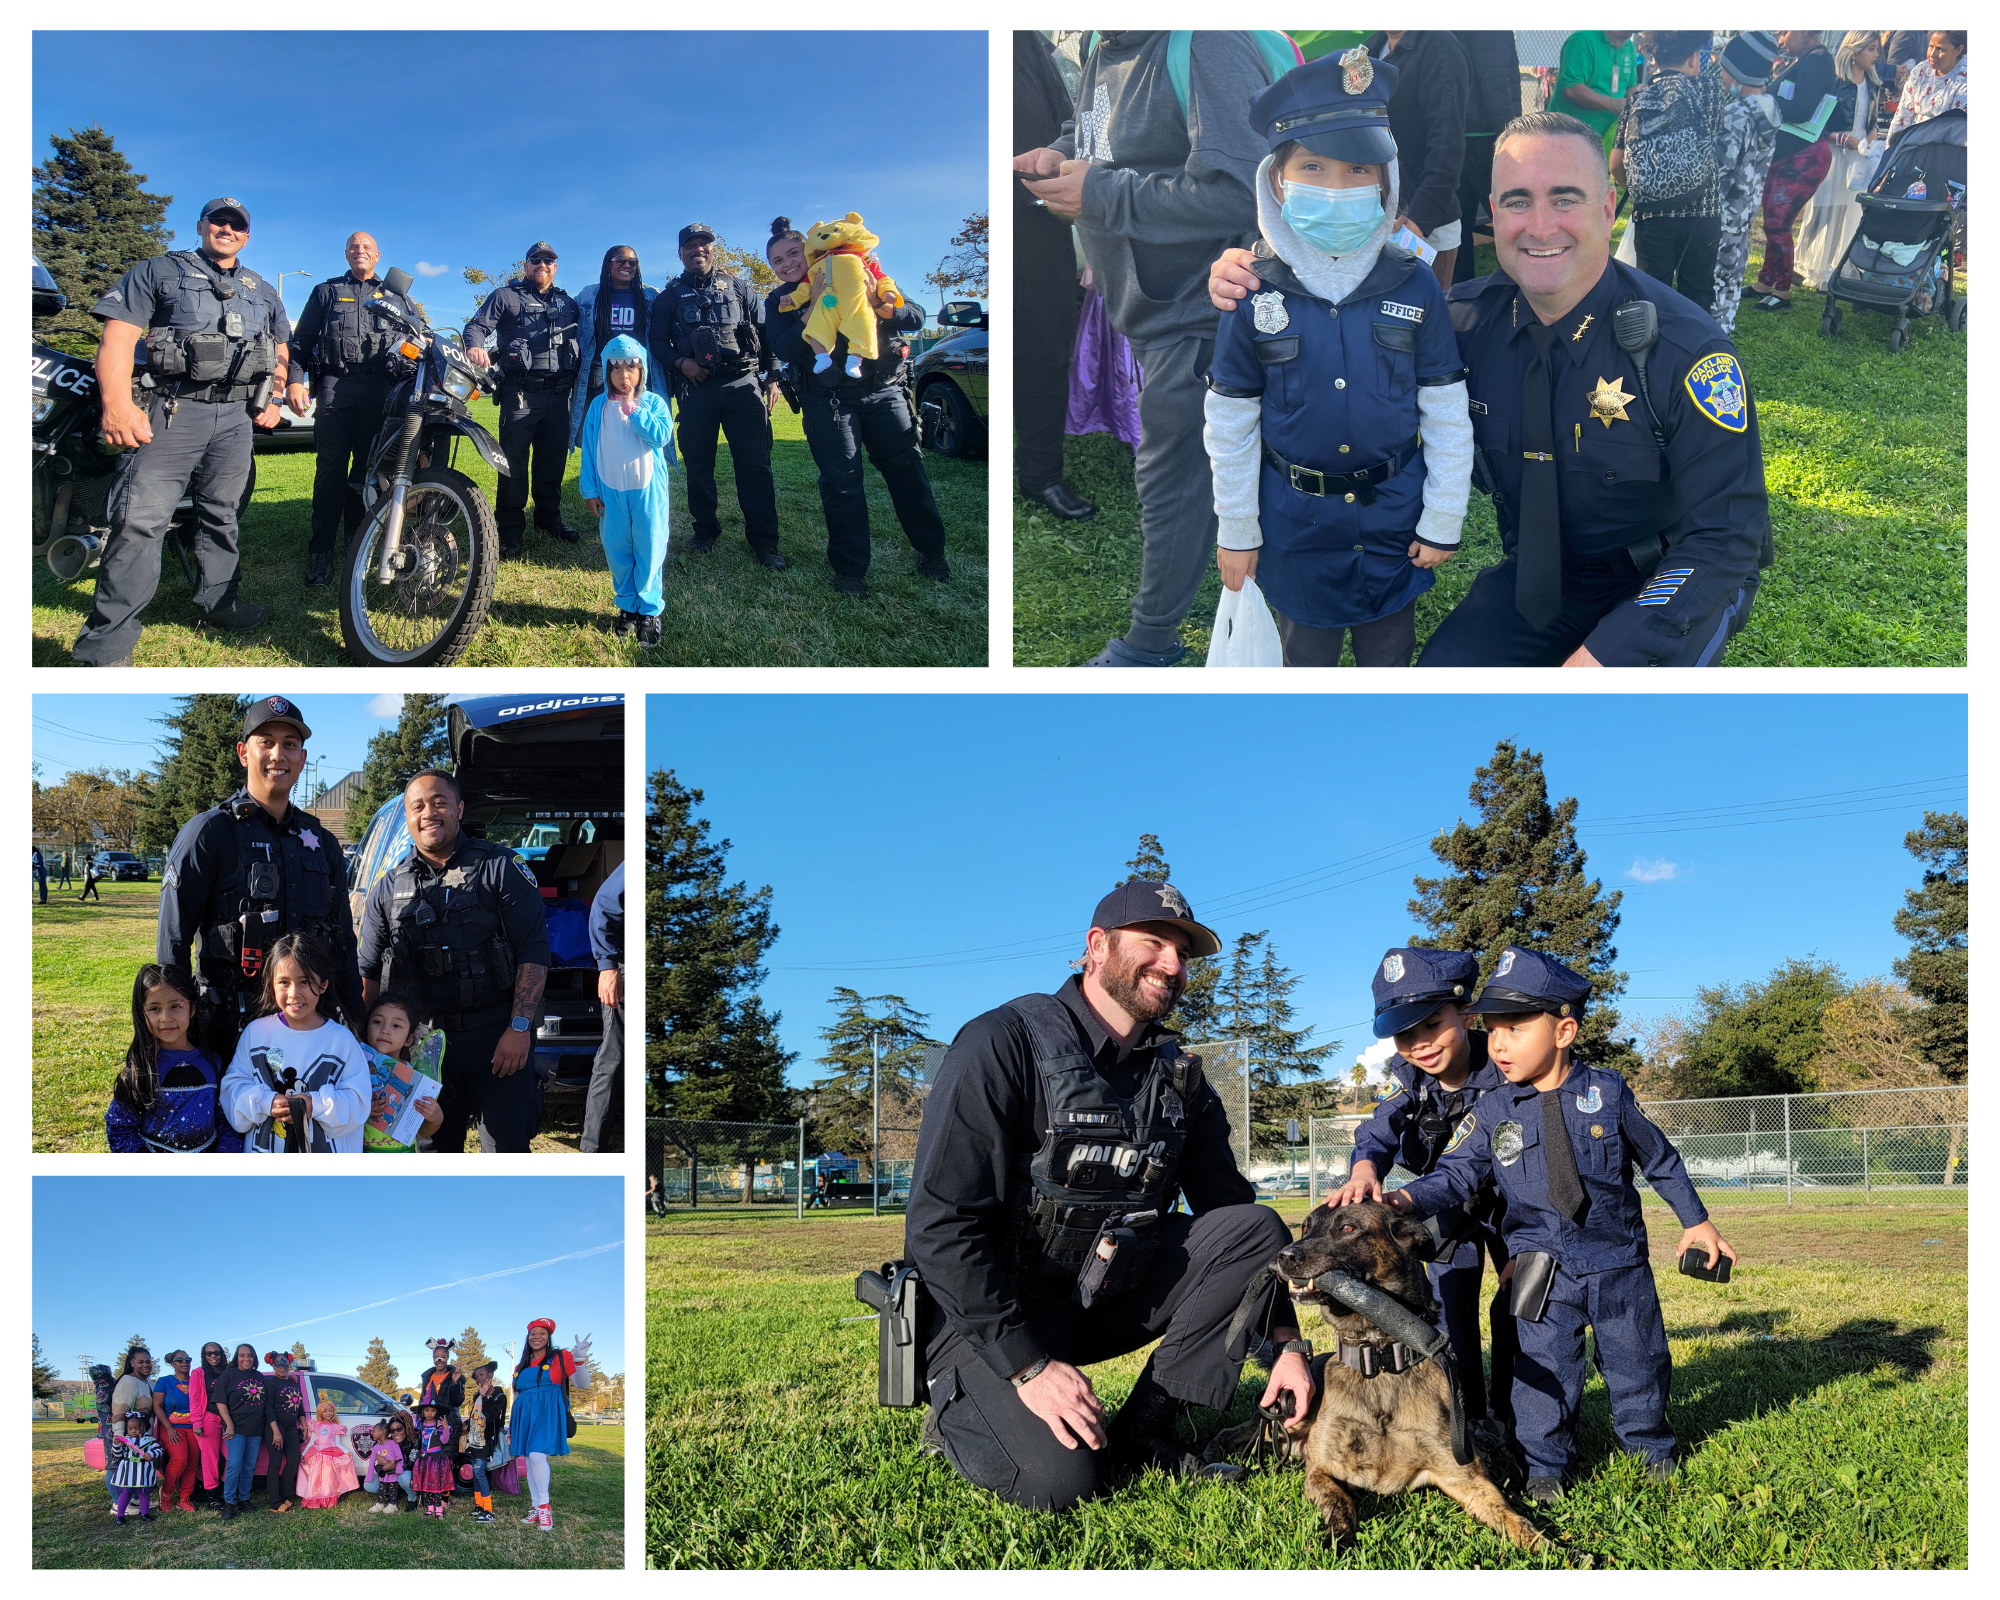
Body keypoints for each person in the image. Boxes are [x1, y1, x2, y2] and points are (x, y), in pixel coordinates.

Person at [1209, 109, 1773, 666]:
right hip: (1541, 583)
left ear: (1607, 208)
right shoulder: (1459, 324)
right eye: (1517, 201)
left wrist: (1607, 655)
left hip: (1666, 582)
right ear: (1493, 215)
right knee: (1440, 705)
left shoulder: (1683, 353)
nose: (1540, 225)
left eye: (1565, 198)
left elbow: (1727, 537)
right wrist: (1261, 276)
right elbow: (1326, 346)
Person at [908, 880, 1312, 1511]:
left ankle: (1145, 1428)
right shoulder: (1002, 1043)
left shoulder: (1178, 1077)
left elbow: (1235, 1218)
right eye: (1153, 943)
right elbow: (939, 1227)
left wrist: (1285, 1341)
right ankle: (959, 1408)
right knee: (1062, 1484)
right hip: (996, 1311)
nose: (1172, 965)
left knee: (1254, 1227)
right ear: (1096, 946)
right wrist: (1029, 1369)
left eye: (1184, 952)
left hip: (1098, 1294)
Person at [1386, 946, 1737, 1505]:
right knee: (1540, 1370)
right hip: (1539, 1268)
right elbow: (1456, 1174)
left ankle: (1651, 1451)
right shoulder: (1495, 1110)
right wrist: (1402, 1197)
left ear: (1564, 1031)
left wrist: (1698, 1223)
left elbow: (1661, 1160)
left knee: (1637, 1361)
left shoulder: (1609, 1094)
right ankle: (1545, 1465)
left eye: (1515, 1029)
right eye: (1492, 1029)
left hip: (1617, 1261)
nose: (1497, 1044)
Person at [1203, 49, 1472, 667]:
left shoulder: (1414, 283)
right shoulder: (1252, 288)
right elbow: (1231, 420)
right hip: (1295, 538)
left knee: (1388, 662)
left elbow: (1445, 407)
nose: (1337, 187)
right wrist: (1238, 528)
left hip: (1394, 533)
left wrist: (1443, 515)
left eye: (1358, 169)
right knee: (1306, 675)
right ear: (1277, 178)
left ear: (1386, 179)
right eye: (1314, 167)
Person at [1018, 31, 1275, 666]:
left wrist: (1099, 196)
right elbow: (1093, 134)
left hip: (1204, 310)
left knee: (1171, 478)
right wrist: (1055, 156)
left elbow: (1247, 191)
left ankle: (1150, 647)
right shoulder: (1103, 46)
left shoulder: (1208, 41)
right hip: (1150, 311)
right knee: (1200, 474)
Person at [73, 197, 282, 665]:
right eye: (219, 221)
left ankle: (220, 602)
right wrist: (117, 405)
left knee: (222, 513)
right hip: (171, 410)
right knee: (139, 521)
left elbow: (280, 347)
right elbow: (119, 338)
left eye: (237, 225)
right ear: (202, 225)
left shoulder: (261, 289)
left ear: (246, 235)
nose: (227, 229)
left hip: (234, 420)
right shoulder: (158, 271)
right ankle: (106, 644)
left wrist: (277, 392)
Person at [1328, 949, 1514, 1430]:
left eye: (1432, 1024)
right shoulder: (1407, 1077)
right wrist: (1365, 1169)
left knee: (1520, 1302)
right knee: (1451, 1310)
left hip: (1516, 1207)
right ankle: (1467, 1414)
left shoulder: (1505, 1065)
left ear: (1466, 1014)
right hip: (1446, 1202)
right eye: (1405, 1033)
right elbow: (1378, 1130)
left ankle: (1515, 1415)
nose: (1420, 1043)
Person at [158, 697, 363, 1065]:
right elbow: (174, 942)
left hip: (311, 1037)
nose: (277, 754)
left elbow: (343, 945)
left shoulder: (322, 843)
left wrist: (359, 1028)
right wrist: (174, 1033)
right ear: (243, 752)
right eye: (265, 741)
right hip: (227, 1035)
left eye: (289, 744)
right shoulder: (208, 833)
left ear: (302, 757)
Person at [359, 770, 553, 1153]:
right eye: (417, 806)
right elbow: (366, 974)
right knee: (433, 1152)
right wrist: (370, 1054)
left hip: (497, 1039)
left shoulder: (501, 868)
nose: (428, 813)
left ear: (459, 809)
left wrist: (519, 1029)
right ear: (408, 817)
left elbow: (534, 953)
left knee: (507, 1151)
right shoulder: (388, 888)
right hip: (424, 1047)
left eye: (439, 802)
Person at [764, 220, 951, 601]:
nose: (786, 264)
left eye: (792, 254)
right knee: (841, 483)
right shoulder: (781, 300)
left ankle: (932, 555)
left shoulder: (861, 268)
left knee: (907, 473)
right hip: (827, 400)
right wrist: (811, 307)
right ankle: (850, 572)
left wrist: (878, 302)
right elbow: (783, 348)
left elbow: (914, 316)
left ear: (809, 248)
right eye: (777, 261)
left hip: (884, 392)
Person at [285, 231, 421, 586]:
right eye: (353, 247)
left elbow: (418, 336)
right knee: (330, 467)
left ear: (377, 256)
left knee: (367, 467)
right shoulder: (326, 292)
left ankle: (355, 541)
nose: (359, 251)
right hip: (336, 385)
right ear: (346, 254)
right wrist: (294, 380)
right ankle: (321, 550)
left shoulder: (396, 295)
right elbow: (301, 342)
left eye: (367, 248)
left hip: (380, 388)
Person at [652, 223, 785, 568]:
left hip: (743, 384)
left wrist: (772, 376)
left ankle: (765, 541)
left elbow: (765, 330)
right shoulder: (669, 297)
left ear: (713, 249)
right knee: (699, 465)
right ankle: (705, 532)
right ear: (680, 253)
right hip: (696, 388)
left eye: (704, 244)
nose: (698, 249)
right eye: (691, 245)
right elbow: (657, 342)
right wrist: (682, 363)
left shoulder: (739, 286)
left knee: (755, 464)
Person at [1014, 32, 1097, 522]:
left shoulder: (1033, 45)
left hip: (1043, 218)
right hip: (1011, 215)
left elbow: (1073, 126)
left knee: (1044, 350)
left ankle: (1041, 473)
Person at [464, 243, 583, 557]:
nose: (542, 265)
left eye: (549, 261)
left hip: (559, 397)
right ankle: (511, 532)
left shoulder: (568, 302)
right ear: (526, 265)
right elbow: (476, 326)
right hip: (520, 395)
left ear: (555, 267)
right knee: (513, 466)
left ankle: (548, 520)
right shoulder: (506, 296)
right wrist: (476, 347)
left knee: (552, 463)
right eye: (536, 260)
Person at [220, 929, 372, 1153]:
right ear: (271, 984)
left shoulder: (341, 1040)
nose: (294, 993)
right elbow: (232, 1090)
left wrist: (315, 1105)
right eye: (284, 982)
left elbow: (358, 1103)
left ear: (323, 985)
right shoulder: (256, 1034)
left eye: (304, 982)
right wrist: (266, 1102)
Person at [1612, 32, 1730, 300]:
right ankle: (1697, 341)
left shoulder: (1637, 99)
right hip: (1703, 210)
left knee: (1652, 291)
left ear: (1653, 60)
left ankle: (1653, 341)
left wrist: (1642, 189)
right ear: (1693, 58)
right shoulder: (1710, 92)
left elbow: (1616, 162)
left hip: (1652, 215)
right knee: (1698, 291)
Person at [578, 335, 675, 643]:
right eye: (616, 369)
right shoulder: (598, 407)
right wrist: (590, 489)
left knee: (649, 546)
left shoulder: (653, 403)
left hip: (647, 493)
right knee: (618, 549)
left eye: (631, 368)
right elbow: (590, 450)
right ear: (607, 371)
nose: (624, 376)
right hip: (611, 493)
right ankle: (627, 607)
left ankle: (649, 610)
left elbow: (661, 436)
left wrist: (636, 412)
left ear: (642, 370)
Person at [1364, 31, 1472, 287]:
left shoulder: (1439, 47)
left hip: (1420, 225)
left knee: (1425, 322)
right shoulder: (1370, 49)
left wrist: (1419, 221)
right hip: (1375, 219)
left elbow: (1447, 143)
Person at [1749, 31, 1841, 311]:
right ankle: (1765, 282)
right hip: (1787, 153)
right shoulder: (1806, 59)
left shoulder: (1818, 63)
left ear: (1804, 30)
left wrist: (1764, 99)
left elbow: (1801, 110)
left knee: (1778, 225)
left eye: (1784, 31)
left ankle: (1783, 291)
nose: (1781, 38)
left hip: (1803, 156)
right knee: (1773, 222)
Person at [106, 963, 241, 1153]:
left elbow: (228, 1122)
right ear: (141, 1012)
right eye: (154, 1009)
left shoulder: (216, 1064)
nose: (165, 1018)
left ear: (192, 1009)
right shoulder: (138, 1071)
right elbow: (120, 1128)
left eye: (175, 1006)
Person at [1793, 33, 1891, 290]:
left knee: (1843, 213)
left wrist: (1869, 138)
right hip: (1834, 153)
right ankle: (1796, 259)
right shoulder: (1835, 82)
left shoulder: (1872, 83)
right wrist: (1841, 139)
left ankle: (1829, 269)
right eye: (1870, 49)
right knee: (1822, 211)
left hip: (1858, 155)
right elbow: (1819, 123)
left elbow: (1870, 120)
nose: (1876, 55)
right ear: (1854, 50)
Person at [1711, 32, 1784, 334]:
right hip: (1745, 209)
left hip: (1722, 210)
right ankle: (1725, 325)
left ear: (1740, 72)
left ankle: (1709, 336)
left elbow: (1719, 167)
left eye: (1724, 70)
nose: (1722, 77)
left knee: (1714, 274)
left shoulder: (1735, 115)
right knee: (1731, 274)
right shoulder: (1769, 110)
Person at [569, 245, 668, 454]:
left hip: (637, 376)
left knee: (636, 434)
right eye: (620, 260)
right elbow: (566, 309)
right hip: (599, 376)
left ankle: (632, 482)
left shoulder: (650, 295)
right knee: (599, 438)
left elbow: (675, 304)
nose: (627, 265)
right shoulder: (590, 295)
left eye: (632, 262)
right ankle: (600, 482)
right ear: (608, 264)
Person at [1883, 32, 1969, 263]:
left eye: (1941, 49)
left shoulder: (1968, 77)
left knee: (1941, 224)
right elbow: (1903, 117)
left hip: (1951, 155)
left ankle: (1939, 269)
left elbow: (1957, 126)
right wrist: (1890, 155)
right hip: (1913, 151)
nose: (1932, 53)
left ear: (1958, 50)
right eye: (1930, 46)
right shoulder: (1920, 71)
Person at [1453, 32, 1525, 287]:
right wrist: (1513, 136)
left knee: (1460, 225)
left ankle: (1459, 295)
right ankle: (1522, 287)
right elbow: (1494, 77)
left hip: (1462, 133)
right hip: (1485, 137)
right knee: (1514, 216)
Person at [512, 1318, 593, 1530]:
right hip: (525, 1414)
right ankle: (536, 1508)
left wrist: (580, 1359)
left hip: (547, 1413)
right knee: (529, 1460)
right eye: (533, 1333)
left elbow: (583, 1384)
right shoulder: (522, 1365)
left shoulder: (560, 1357)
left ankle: (545, 1507)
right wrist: (513, 1427)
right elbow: (517, 1393)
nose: (537, 1337)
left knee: (538, 1456)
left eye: (542, 1333)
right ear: (527, 1337)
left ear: (549, 1337)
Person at [361, 993, 445, 1151]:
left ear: (409, 1039)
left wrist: (435, 1119)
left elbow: (420, 1130)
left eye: (396, 1025)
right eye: (377, 1022)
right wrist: (360, 1110)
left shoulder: (415, 1077)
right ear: (367, 1028)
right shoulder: (356, 1069)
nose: (385, 1030)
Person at [584, 860, 624, 1153]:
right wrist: (607, 966)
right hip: (625, 973)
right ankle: (592, 1148)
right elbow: (604, 904)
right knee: (612, 1061)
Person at [1553, 31, 1641, 156]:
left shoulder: (1629, 47)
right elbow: (1571, 88)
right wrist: (1611, 104)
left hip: (1607, 136)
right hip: (1572, 134)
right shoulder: (1581, 41)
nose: (1631, 34)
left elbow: (1630, 86)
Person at [213, 1343, 270, 1520]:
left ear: (254, 1357)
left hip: (255, 1429)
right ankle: (229, 1502)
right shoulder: (228, 1375)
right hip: (234, 1429)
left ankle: (244, 1498)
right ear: (236, 1357)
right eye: (242, 1355)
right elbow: (220, 1401)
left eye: (250, 1355)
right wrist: (228, 1424)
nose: (247, 1359)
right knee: (234, 1465)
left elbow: (268, 1400)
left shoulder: (259, 1376)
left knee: (249, 1467)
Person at [262, 1349, 310, 1513]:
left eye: (285, 1364)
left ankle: (283, 1496)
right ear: (272, 1365)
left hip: (291, 1428)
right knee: (275, 1463)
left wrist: (303, 1426)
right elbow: (267, 1408)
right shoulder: (270, 1383)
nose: (282, 1367)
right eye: (278, 1364)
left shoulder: (293, 1382)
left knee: (293, 1461)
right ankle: (275, 1503)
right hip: (275, 1427)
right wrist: (276, 1432)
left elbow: (300, 1407)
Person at [153, 1350, 200, 1511]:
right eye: (180, 1360)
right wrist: (169, 1428)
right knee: (179, 1459)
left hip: (194, 1428)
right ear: (173, 1363)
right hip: (172, 1428)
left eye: (187, 1359)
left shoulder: (196, 1380)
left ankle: (184, 1498)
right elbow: (157, 1406)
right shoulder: (165, 1381)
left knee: (193, 1463)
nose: (184, 1362)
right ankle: (166, 1494)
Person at [462, 1361, 509, 1525]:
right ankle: (479, 1505)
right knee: (475, 1473)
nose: (478, 1379)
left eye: (481, 1375)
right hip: (474, 1439)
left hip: (486, 1442)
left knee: (480, 1472)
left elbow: (490, 1416)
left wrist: (483, 1397)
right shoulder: (477, 1395)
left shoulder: (499, 1396)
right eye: (475, 1377)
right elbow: (475, 1415)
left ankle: (488, 1510)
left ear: (490, 1375)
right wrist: (466, 1425)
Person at [295, 1396, 360, 1509]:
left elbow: (337, 1443)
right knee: (315, 1478)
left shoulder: (336, 1427)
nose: (328, 1413)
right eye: (325, 1411)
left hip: (328, 1458)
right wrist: (304, 1454)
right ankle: (314, 1498)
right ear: (320, 1413)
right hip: (316, 1457)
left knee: (328, 1479)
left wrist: (347, 1452)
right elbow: (311, 1443)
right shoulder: (316, 1426)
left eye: (330, 1411)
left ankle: (328, 1498)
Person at [187, 1342, 230, 1508]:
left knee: (232, 1458)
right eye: (209, 1353)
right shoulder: (199, 1373)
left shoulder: (228, 1371)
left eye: (216, 1353)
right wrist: (197, 1421)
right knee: (210, 1460)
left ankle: (227, 1492)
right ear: (204, 1356)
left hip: (228, 1421)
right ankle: (213, 1497)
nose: (213, 1356)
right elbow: (195, 1398)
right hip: (208, 1419)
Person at [109, 1412, 165, 1525]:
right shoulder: (125, 1441)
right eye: (130, 1428)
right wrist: (116, 1445)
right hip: (128, 1471)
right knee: (126, 1493)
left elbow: (159, 1450)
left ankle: (145, 1513)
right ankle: (120, 1515)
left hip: (143, 1471)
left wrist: (151, 1454)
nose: (133, 1431)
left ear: (144, 1427)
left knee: (143, 1493)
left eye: (136, 1428)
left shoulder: (150, 1440)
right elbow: (118, 1454)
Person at [411, 1398, 456, 1518]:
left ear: (437, 1412)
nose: (429, 1413)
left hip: (436, 1460)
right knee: (427, 1485)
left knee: (437, 1486)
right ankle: (430, 1508)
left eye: (433, 1410)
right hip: (424, 1459)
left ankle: (439, 1509)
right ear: (422, 1411)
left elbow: (444, 1441)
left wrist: (446, 1428)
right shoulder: (420, 1424)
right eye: (426, 1410)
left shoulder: (439, 1425)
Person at [367, 1421, 405, 1514]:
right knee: (382, 1489)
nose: (372, 1433)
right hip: (383, 1474)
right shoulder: (376, 1447)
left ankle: (393, 1505)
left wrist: (398, 1469)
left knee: (393, 1490)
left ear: (382, 1431)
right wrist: (369, 1476)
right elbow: (372, 1462)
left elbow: (399, 1458)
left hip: (393, 1474)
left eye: (374, 1431)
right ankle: (379, 1504)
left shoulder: (393, 1443)